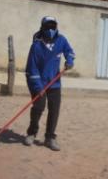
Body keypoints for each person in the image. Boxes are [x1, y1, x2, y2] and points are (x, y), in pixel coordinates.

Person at [24, 16, 75, 151]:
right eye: (48, 27)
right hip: (37, 81)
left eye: (53, 26)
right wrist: (38, 87)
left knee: (54, 109)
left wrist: (69, 60)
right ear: (42, 27)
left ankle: (50, 138)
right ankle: (31, 133)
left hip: (54, 81)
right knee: (39, 107)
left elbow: (70, 52)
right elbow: (31, 68)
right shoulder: (36, 46)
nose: (51, 29)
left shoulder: (61, 40)